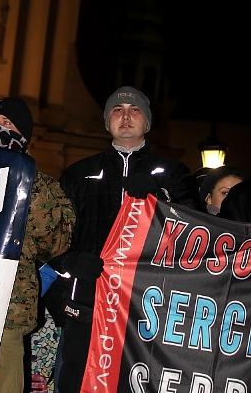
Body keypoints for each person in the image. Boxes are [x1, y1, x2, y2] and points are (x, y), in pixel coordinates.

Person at [52, 86, 199, 393]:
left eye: (135, 110)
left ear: (147, 122)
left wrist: (160, 197)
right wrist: (70, 262)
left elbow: (196, 233)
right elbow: (53, 235)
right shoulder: (80, 173)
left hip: (149, 308)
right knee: (77, 381)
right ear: (107, 122)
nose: (126, 116)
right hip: (88, 302)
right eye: (117, 110)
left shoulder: (173, 172)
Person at [0, 97, 75, 393]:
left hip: (7, 317)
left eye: (6, 124)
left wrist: (24, 180)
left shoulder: (43, 186)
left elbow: (56, 243)